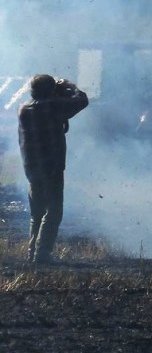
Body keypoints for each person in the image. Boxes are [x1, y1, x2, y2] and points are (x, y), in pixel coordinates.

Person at [18, 74, 88, 264]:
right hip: (51, 166)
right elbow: (82, 100)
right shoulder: (51, 106)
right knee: (54, 211)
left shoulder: (24, 108)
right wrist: (70, 85)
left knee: (37, 211)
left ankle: (32, 254)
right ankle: (42, 255)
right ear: (50, 90)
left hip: (32, 167)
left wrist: (56, 93)